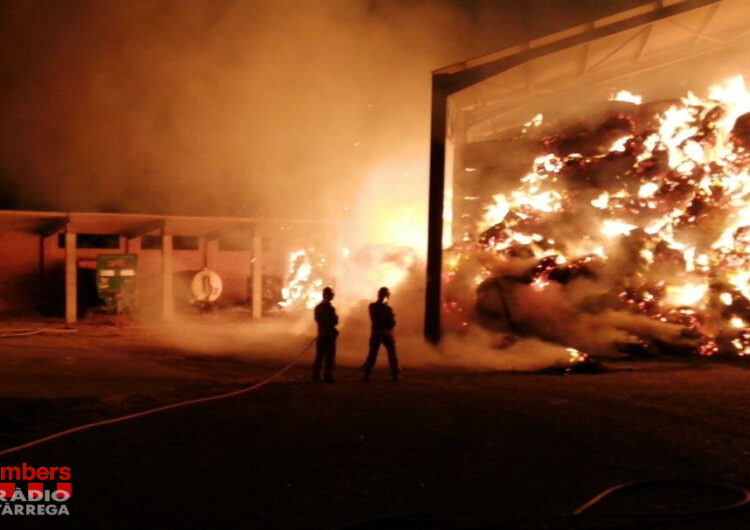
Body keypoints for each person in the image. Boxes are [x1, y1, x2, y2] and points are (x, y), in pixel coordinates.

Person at [362, 286, 400, 381]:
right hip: (381, 333)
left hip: (380, 333)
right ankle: (394, 374)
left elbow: (390, 323)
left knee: (375, 354)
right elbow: (386, 322)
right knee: (388, 353)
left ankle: (367, 374)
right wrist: (389, 318)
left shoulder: (375, 307)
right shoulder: (382, 308)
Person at [313, 286, 338, 383]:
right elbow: (334, 321)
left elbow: (319, 319)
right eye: (330, 294)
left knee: (322, 356)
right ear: (326, 295)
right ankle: (325, 376)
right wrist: (329, 322)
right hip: (326, 335)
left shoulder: (320, 307)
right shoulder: (327, 308)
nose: (331, 296)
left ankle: (317, 376)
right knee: (327, 356)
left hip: (324, 335)